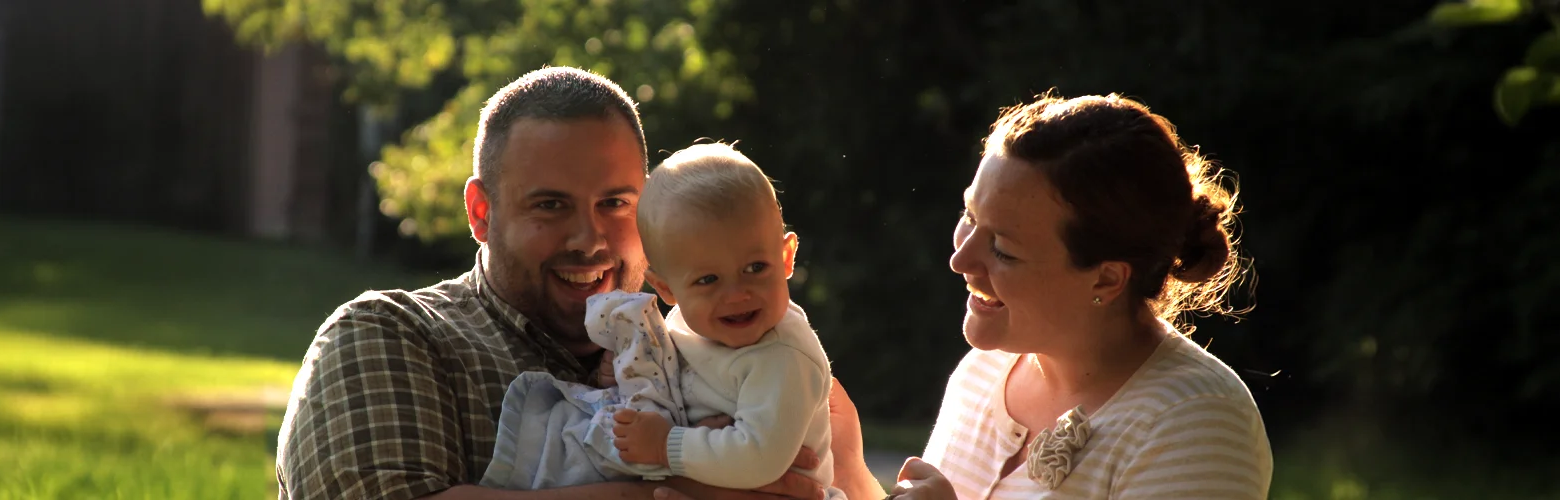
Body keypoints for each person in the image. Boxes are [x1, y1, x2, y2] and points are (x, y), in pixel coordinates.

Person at [274, 66, 830, 500]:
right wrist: (680, 489)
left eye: (615, 203)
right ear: (480, 211)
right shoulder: (391, 337)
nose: (588, 239)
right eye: (550, 205)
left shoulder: (729, 350)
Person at [817, 93, 1273, 500]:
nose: (961, 259)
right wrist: (849, 472)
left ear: (1106, 280)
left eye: (1003, 250)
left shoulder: (1196, 424)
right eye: (970, 216)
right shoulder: (984, 372)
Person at [479, 143, 842, 500]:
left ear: (787, 257)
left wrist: (666, 445)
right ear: (667, 289)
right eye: (708, 280)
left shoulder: (783, 356)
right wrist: (627, 368)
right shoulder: (693, 325)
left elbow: (759, 458)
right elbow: (672, 370)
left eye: (755, 268)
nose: (737, 294)